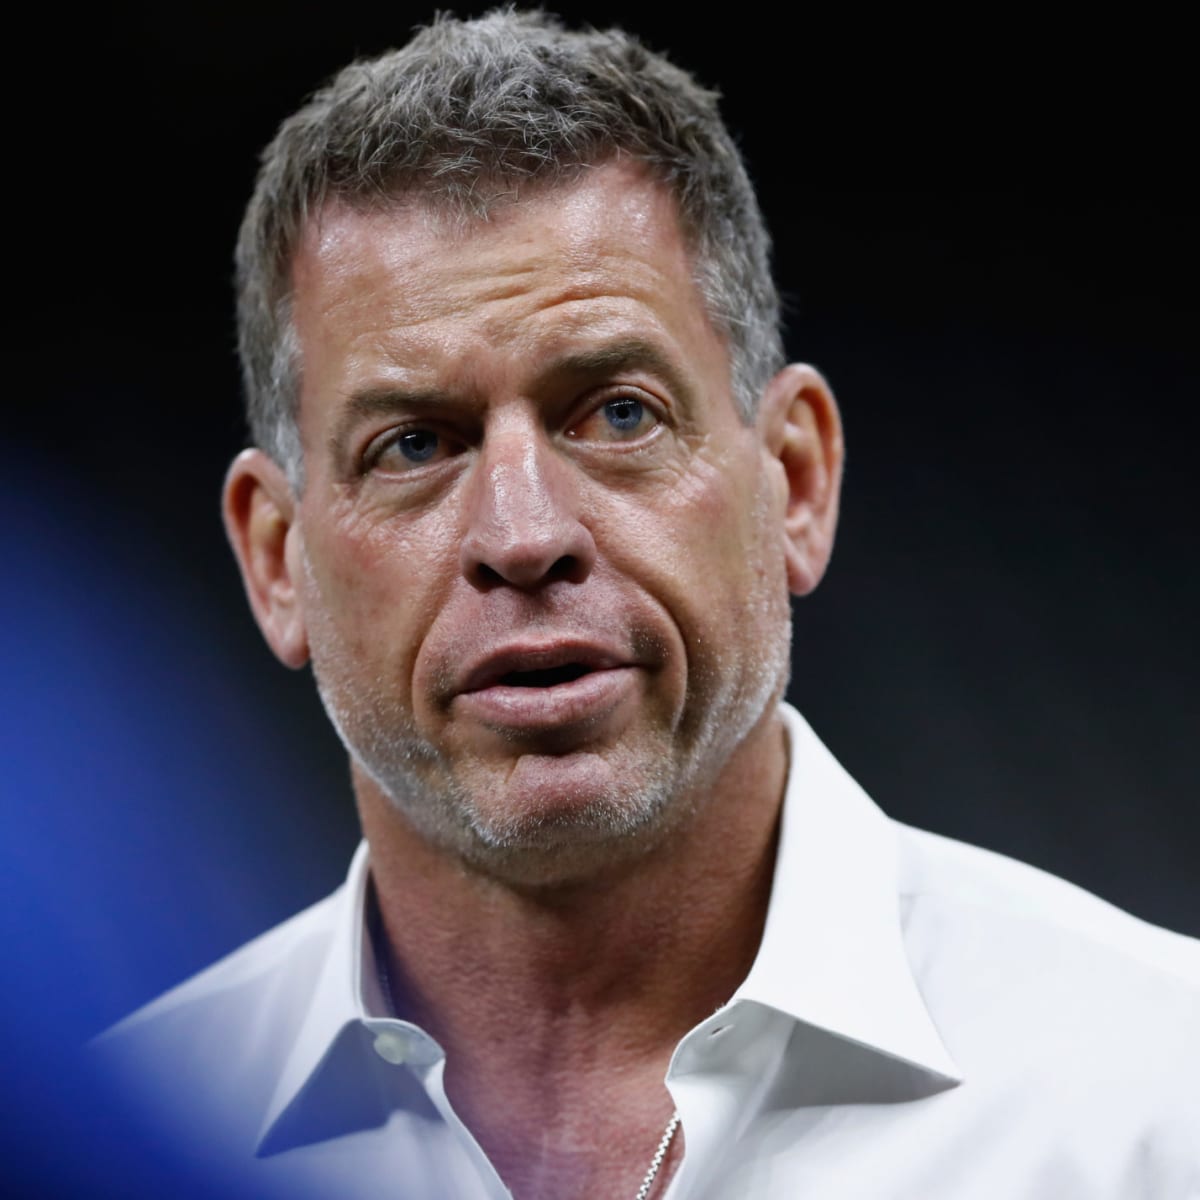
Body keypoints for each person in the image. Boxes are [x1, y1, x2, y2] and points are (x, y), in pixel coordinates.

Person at [95, 10, 1199, 1199]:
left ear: (796, 480)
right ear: (275, 561)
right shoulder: (102, 1145)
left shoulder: (1156, 1092)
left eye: (617, 413)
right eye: (414, 443)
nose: (524, 537)